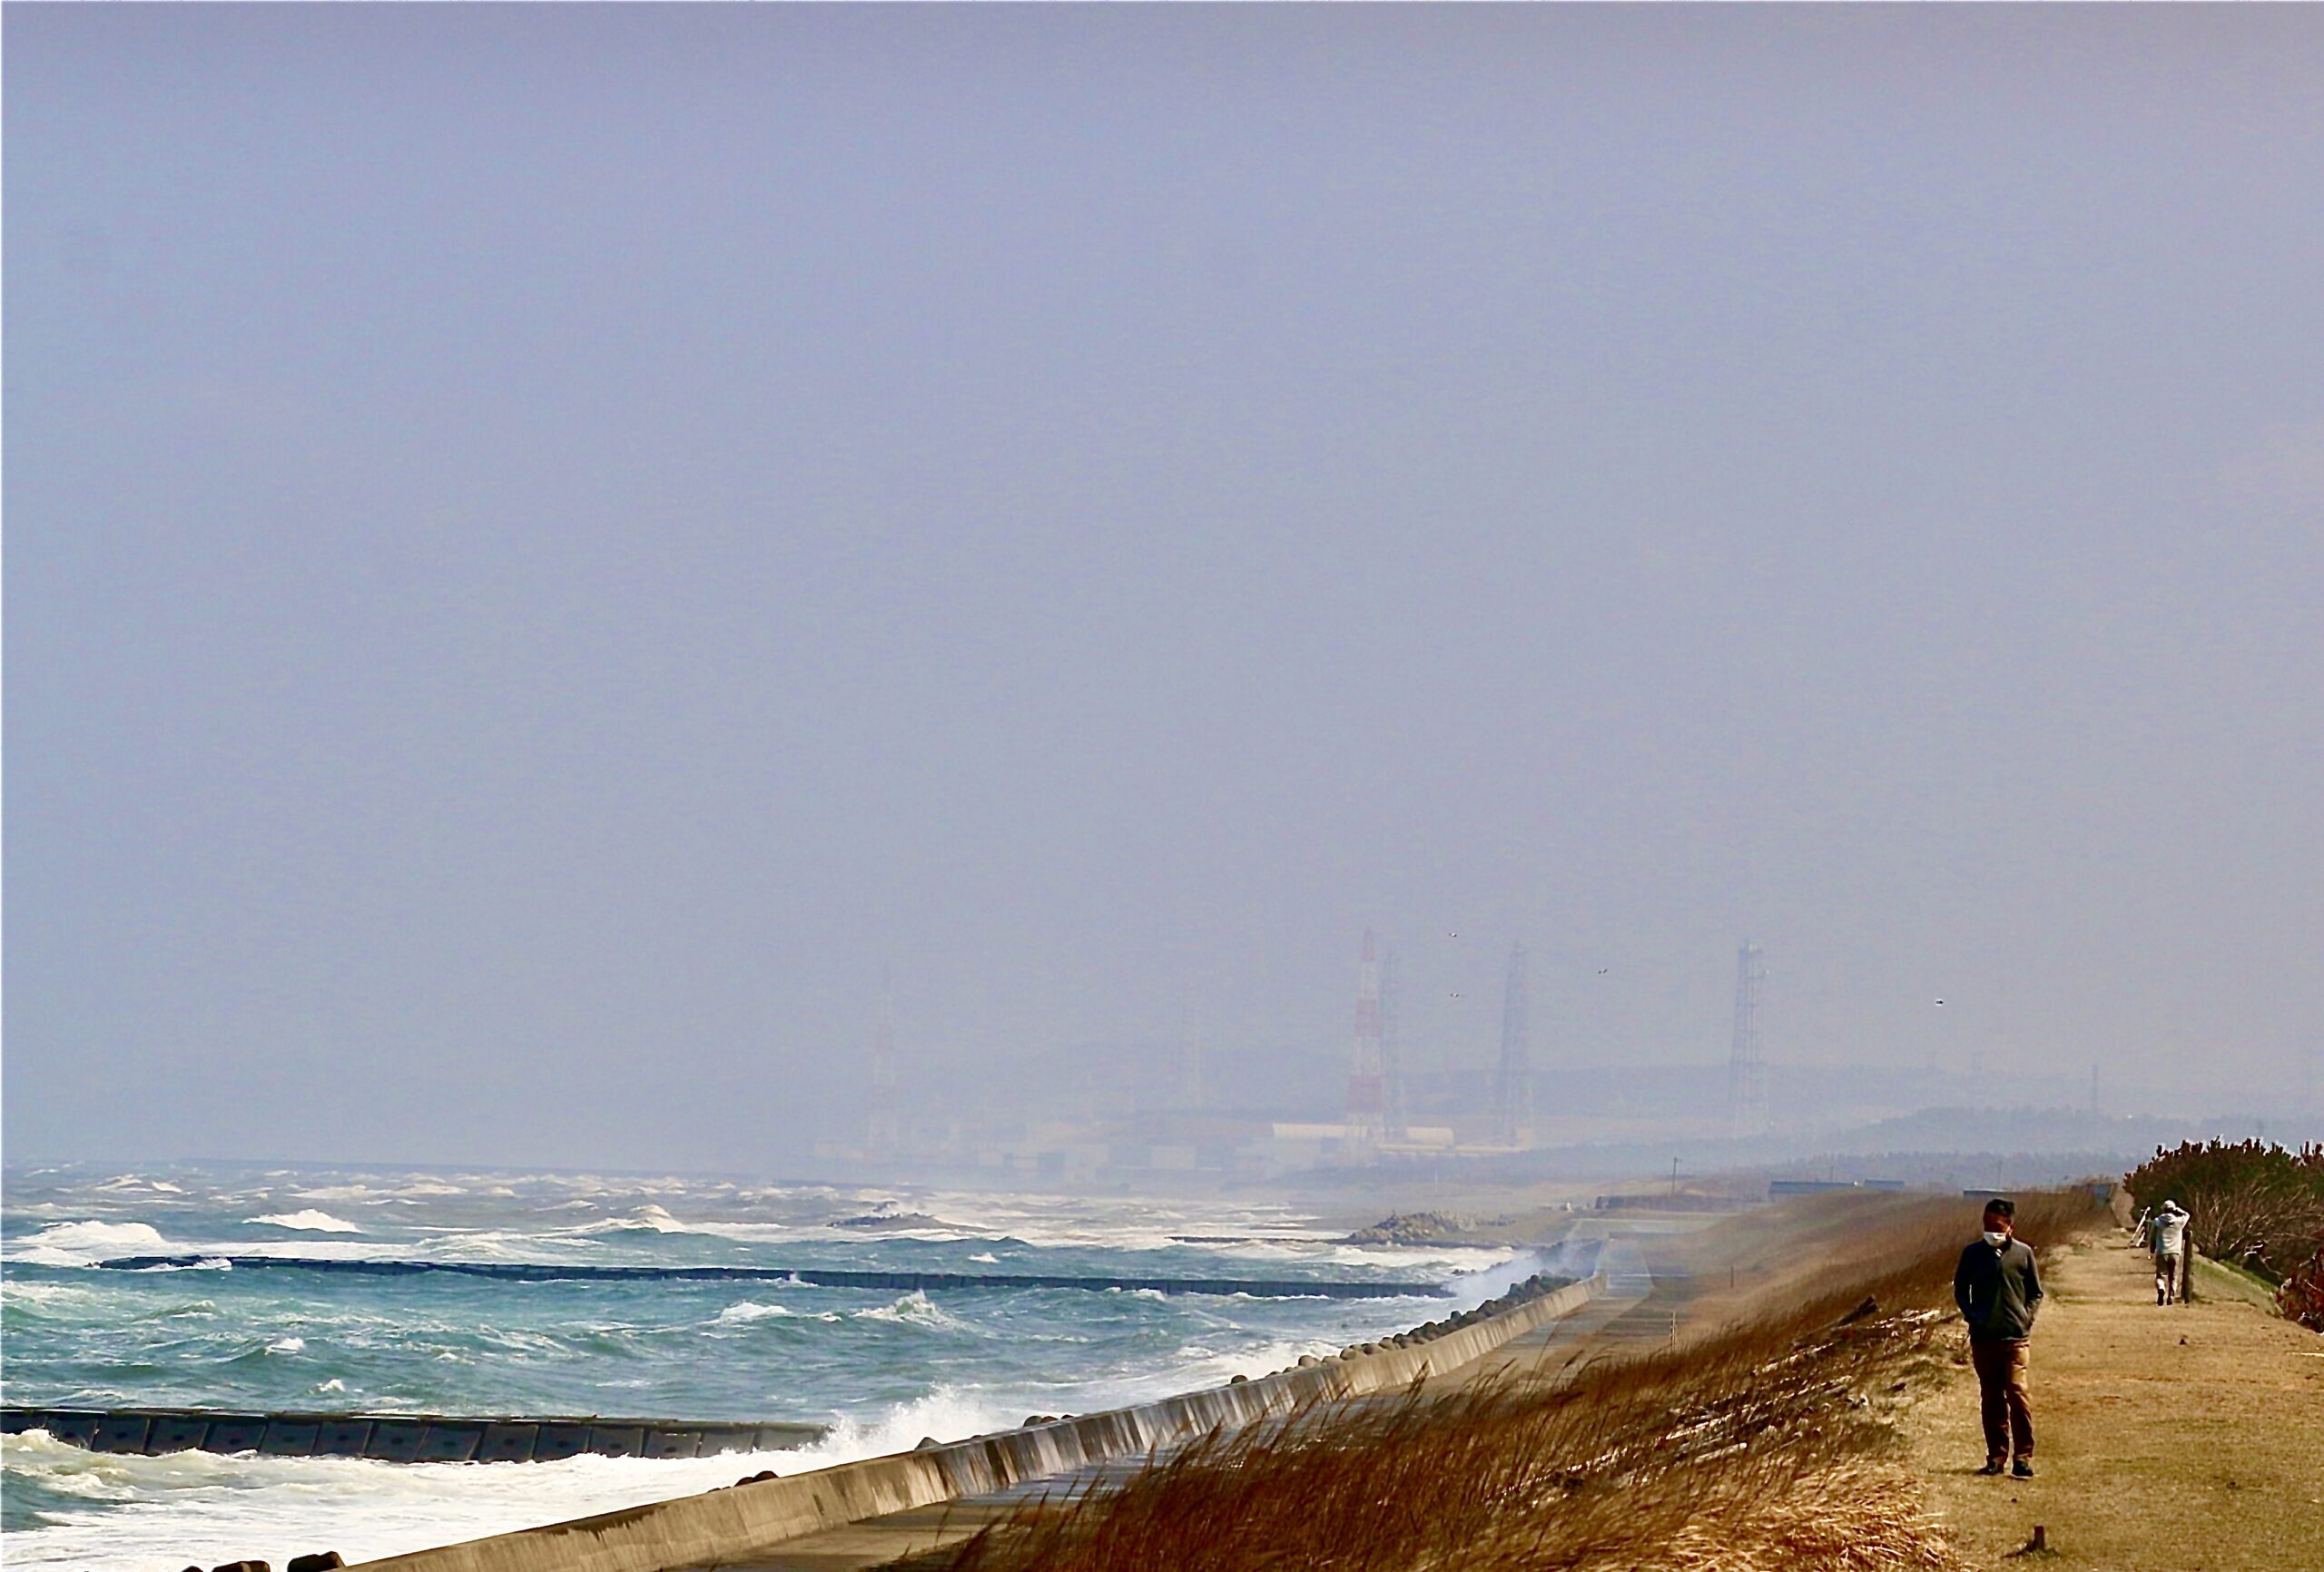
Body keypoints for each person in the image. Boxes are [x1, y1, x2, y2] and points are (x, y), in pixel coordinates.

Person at [1954, 1196, 2043, 1479]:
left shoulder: (2023, 1254)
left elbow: (2035, 1292)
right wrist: (1972, 1315)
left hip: (2015, 1339)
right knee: (1991, 1397)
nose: (1991, 1230)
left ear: (2010, 1227)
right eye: (1987, 1224)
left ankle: (2023, 1456)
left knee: (2017, 1393)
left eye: (1997, 1226)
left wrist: (2026, 1317)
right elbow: (1960, 1290)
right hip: (1983, 1339)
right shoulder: (1972, 1254)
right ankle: (1996, 1457)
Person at [2145, 1199, 2191, 1306]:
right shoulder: (2179, 1222)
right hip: (2175, 1252)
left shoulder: (2157, 1222)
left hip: (2162, 1251)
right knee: (2173, 1276)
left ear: (2163, 1210)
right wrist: (2178, 1209)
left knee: (2160, 1276)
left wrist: (2152, 1251)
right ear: (2173, 1210)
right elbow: (2187, 1215)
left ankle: (2161, 1289)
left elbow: (2152, 1238)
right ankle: (2171, 1296)